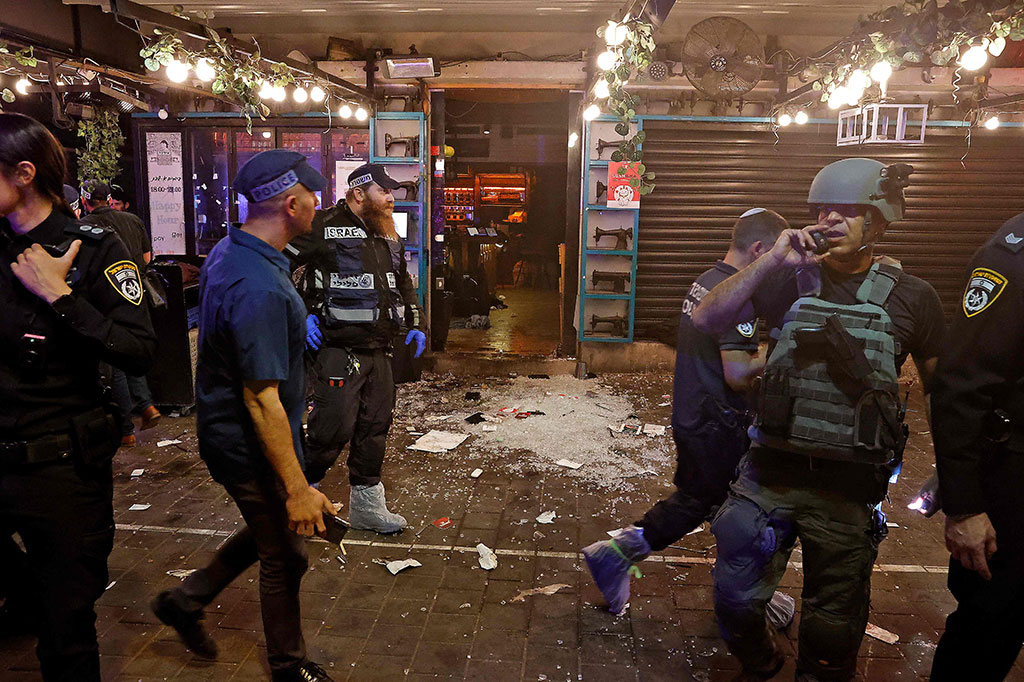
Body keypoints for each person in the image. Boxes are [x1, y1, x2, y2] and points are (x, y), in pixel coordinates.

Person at [692, 158, 946, 682]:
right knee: (735, 603)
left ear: (878, 220)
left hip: (849, 489)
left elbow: (946, 391)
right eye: (823, 209)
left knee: (833, 633)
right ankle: (762, 661)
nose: (831, 219)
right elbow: (706, 319)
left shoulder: (912, 298)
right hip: (770, 474)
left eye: (848, 210)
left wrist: (953, 472)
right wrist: (772, 261)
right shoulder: (784, 280)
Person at [151, 150, 338, 682]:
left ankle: (187, 600)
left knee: (272, 532)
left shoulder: (237, 251)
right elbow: (261, 399)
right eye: (312, 196)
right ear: (291, 202)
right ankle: (288, 665)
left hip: (230, 429)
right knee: (286, 555)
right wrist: (298, 486)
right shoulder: (256, 284)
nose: (318, 205)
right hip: (245, 437)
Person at [582, 208, 794, 629]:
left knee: (714, 502)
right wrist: (785, 350)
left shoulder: (708, 281)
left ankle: (744, 590)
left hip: (696, 414)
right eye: (776, 256)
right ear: (760, 249)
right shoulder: (738, 296)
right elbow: (737, 374)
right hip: (717, 420)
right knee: (720, 504)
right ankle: (625, 555)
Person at [0, 112, 156, 680]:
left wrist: (60, 296)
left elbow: (139, 348)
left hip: (61, 469)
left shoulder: (92, 249)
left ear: (24, 173)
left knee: (65, 632)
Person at [287, 163, 425, 534]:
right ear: (360, 192)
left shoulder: (388, 231)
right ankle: (299, 497)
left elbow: (402, 282)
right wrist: (301, 317)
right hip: (336, 348)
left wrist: (416, 322)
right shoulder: (323, 224)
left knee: (374, 427)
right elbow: (279, 266)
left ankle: (366, 507)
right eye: (385, 191)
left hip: (380, 349)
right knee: (330, 430)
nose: (392, 198)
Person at [929, 211, 1024, 681]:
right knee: (988, 631)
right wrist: (963, 506)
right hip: (1014, 486)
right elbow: (959, 386)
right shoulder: (1012, 257)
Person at [80, 180, 160, 446]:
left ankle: (126, 429)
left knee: (116, 366)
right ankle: (147, 405)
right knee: (133, 350)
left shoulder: (84, 226)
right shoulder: (131, 220)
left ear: (84, 201)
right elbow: (148, 256)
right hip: (136, 294)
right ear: (109, 197)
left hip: (105, 302)